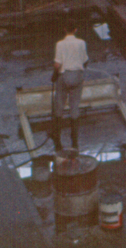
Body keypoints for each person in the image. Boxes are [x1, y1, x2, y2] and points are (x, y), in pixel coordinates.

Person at [52, 19, 88, 151]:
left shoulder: (60, 44)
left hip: (64, 76)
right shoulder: (82, 43)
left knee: (59, 104)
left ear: (64, 29)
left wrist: (54, 75)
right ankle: (74, 140)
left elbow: (57, 64)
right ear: (76, 29)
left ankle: (57, 137)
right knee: (74, 105)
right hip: (77, 76)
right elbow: (85, 61)